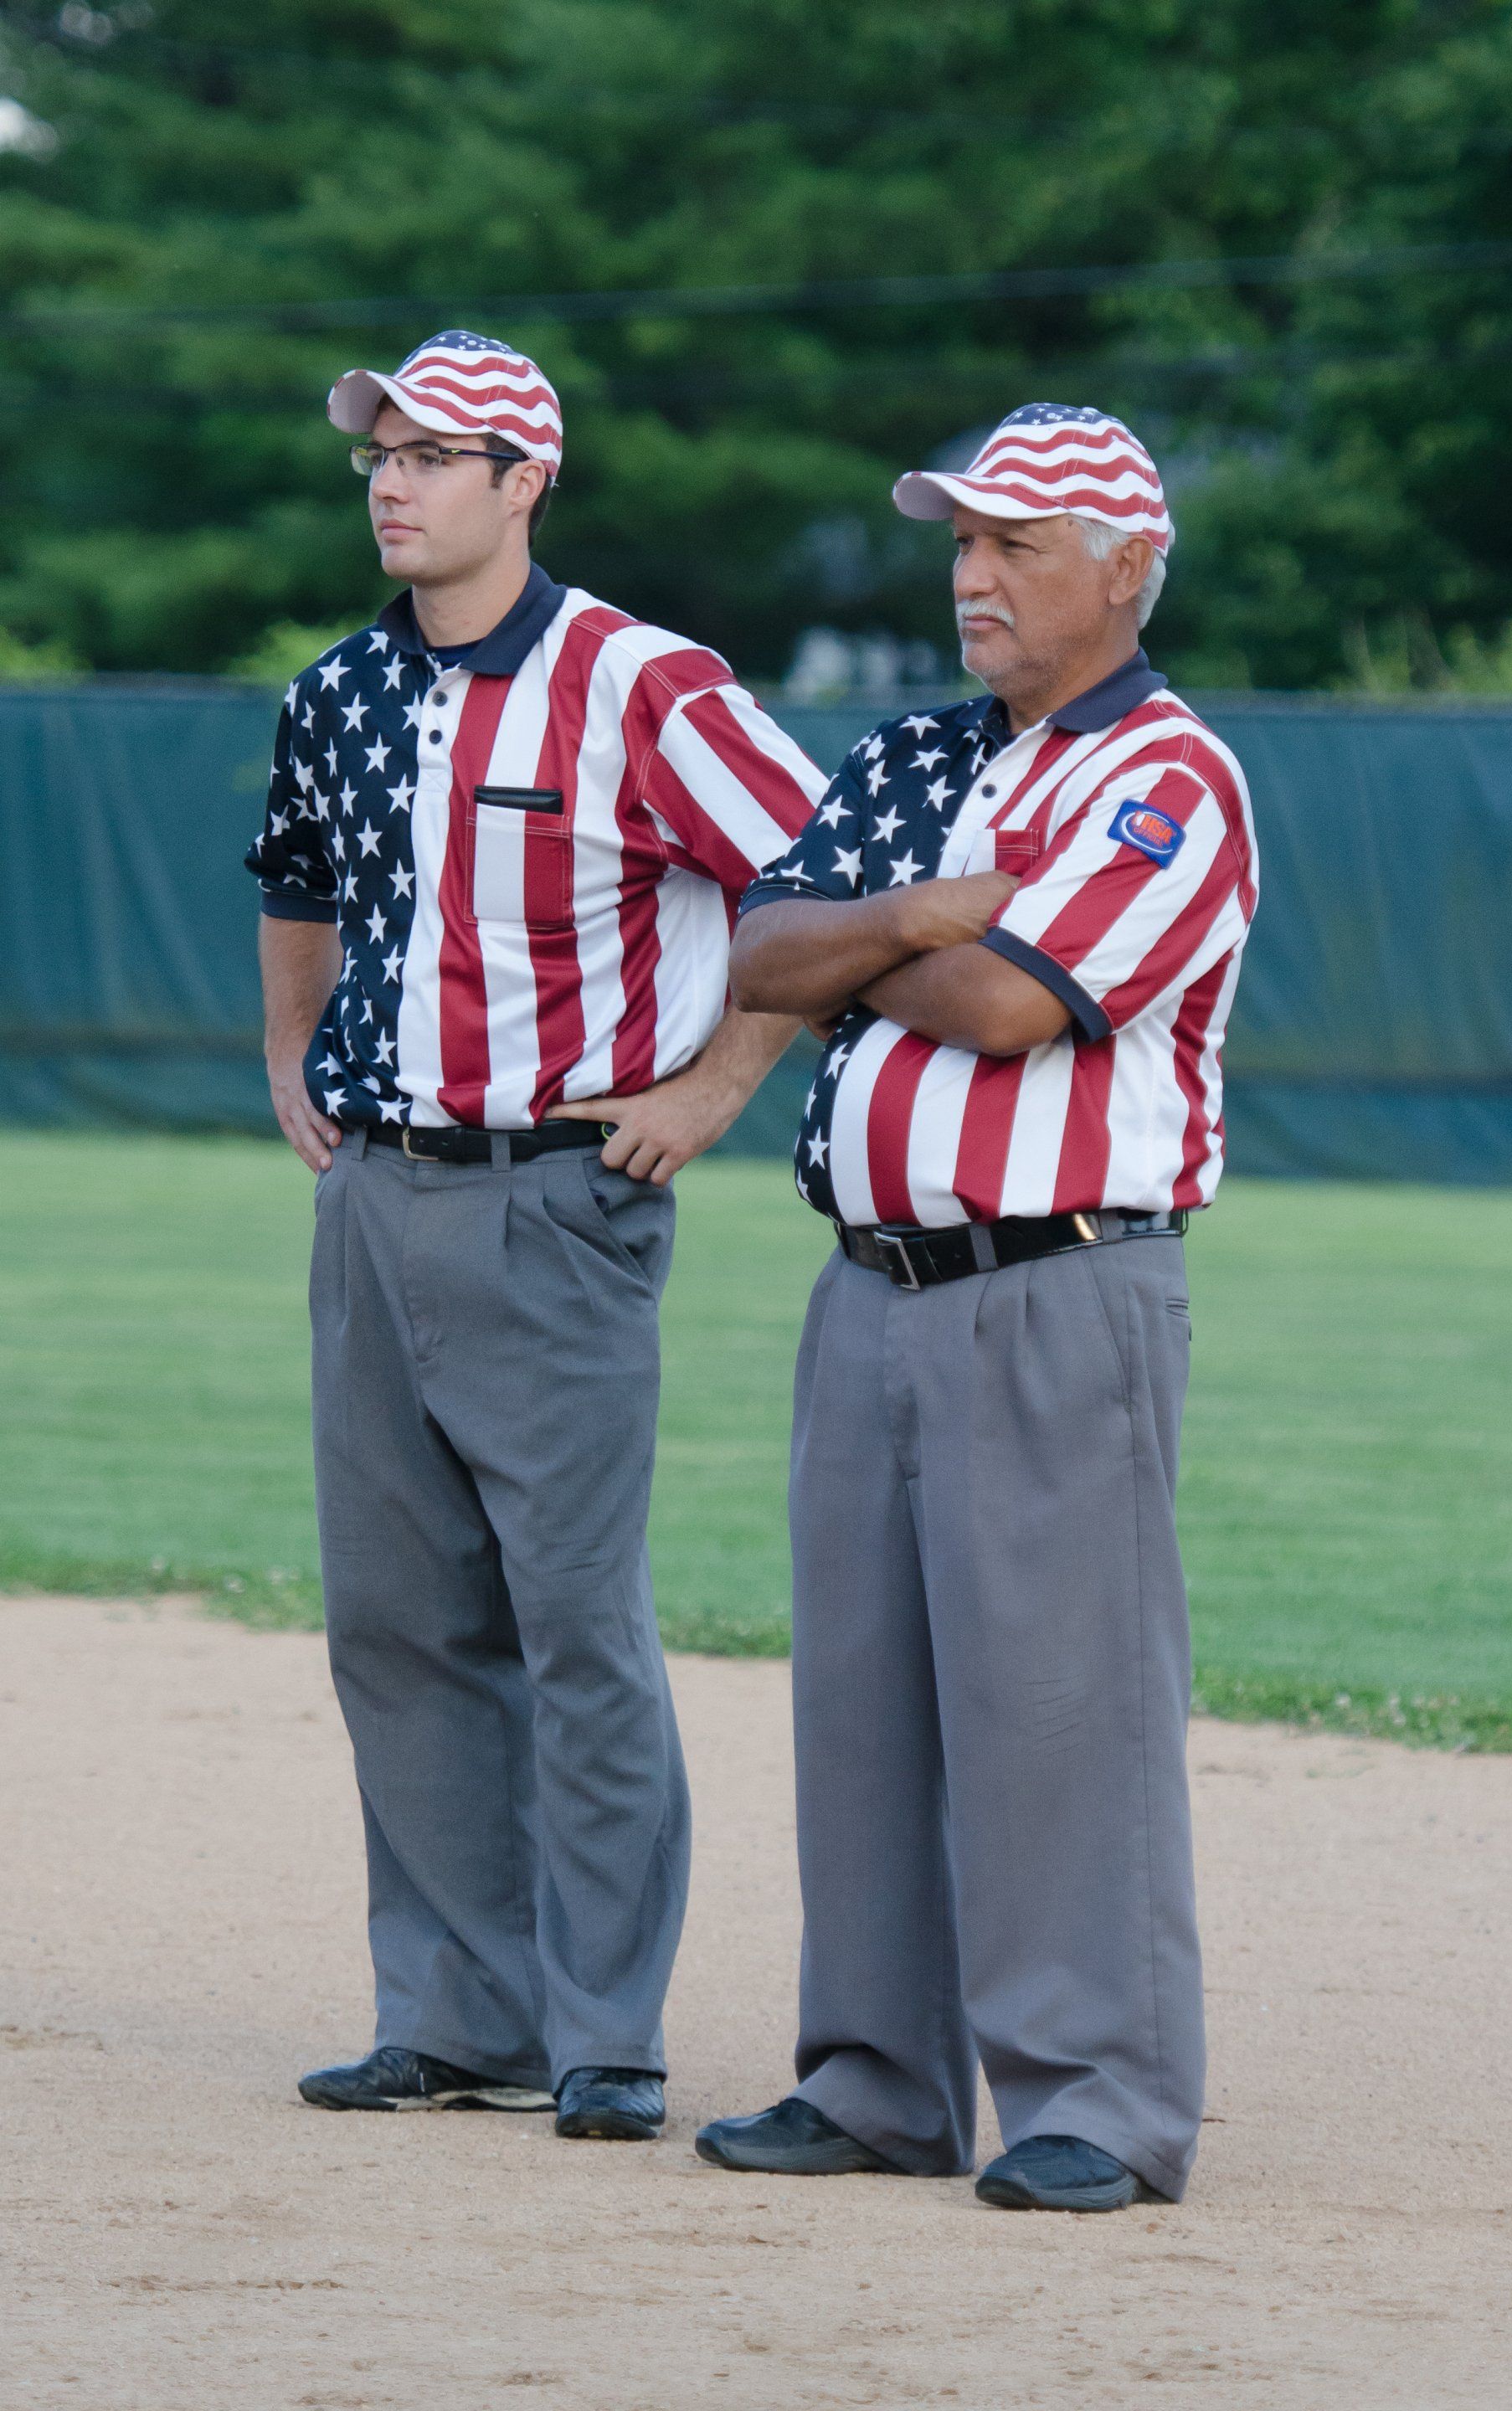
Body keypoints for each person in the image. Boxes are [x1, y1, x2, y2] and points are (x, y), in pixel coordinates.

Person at [245, 331, 821, 2141]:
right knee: (398, 1621)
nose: (392, 483)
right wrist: (289, 1055)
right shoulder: (336, 691)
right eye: (378, 456)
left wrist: (718, 1087)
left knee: (576, 1623)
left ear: (527, 482)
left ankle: (604, 2030)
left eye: (435, 455)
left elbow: (817, 884)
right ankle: (452, 2009)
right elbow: (296, 880)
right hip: (379, 1195)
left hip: (562, 1197)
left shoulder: (643, 684)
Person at [697, 404, 1257, 2209]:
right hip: (867, 1287)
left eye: (1017, 543)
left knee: (1061, 1706)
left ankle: (1099, 2095)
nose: (973, 575)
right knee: (862, 1702)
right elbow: (760, 951)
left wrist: (880, 938)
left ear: (1126, 567)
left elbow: (1019, 1009)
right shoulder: (925, 755)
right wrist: (928, 906)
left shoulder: (1171, 776)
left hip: (1053, 1284)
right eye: (963, 542)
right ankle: (877, 2080)